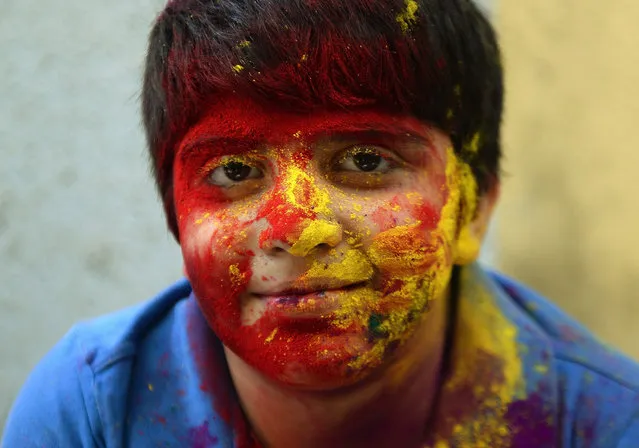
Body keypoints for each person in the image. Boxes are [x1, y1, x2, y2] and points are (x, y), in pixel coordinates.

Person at [3, 0, 639, 446]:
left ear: (473, 209)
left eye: (366, 160)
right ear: (176, 219)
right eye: (231, 173)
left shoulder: (606, 423)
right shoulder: (93, 410)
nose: (295, 226)